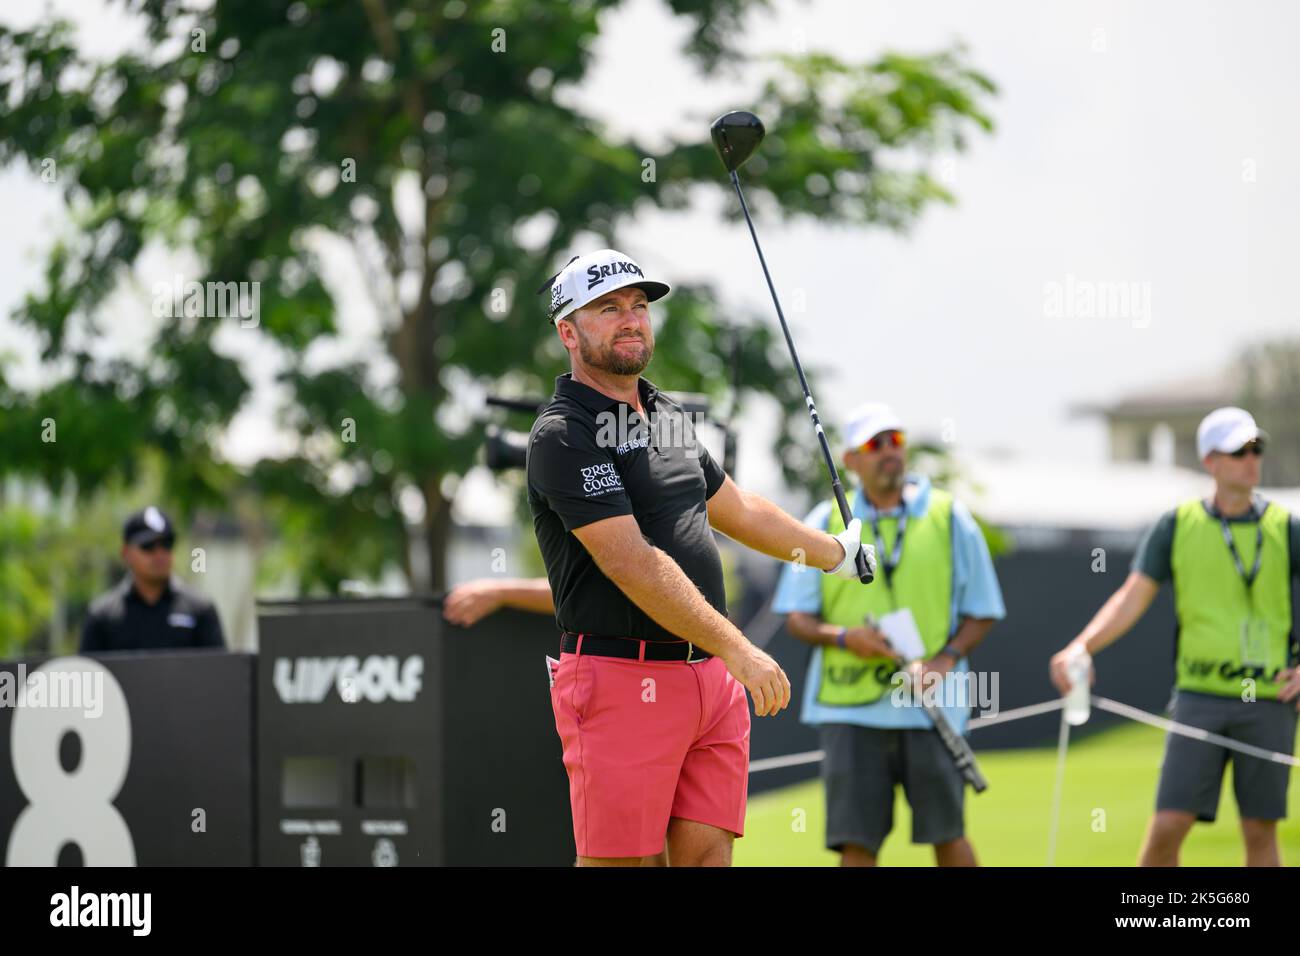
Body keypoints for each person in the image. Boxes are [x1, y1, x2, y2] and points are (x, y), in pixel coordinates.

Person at [527, 248, 876, 867]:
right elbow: (631, 561)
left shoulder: (665, 416)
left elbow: (736, 509)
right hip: (619, 679)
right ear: (569, 332)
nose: (631, 319)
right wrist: (737, 648)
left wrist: (834, 554)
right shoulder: (564, 432)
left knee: (706, 861)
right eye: (608, 309)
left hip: (706, 684)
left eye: (639, 306)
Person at [1050, 406, 1300, 867]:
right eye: (1239, 451)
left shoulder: (1287, 527)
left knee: (1260, 832)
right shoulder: (1177, 525)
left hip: (1268, 699)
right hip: (1199, 697)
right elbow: (1132, 596)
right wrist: (1082, 646)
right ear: (1210, 461)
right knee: (1167, 826)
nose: (1251, 459)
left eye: (1256, 449)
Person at [771, 402, 1005, 867]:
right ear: (851, 460)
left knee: (949, 836)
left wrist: (941, 662)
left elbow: (983, 610)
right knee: (856, 846)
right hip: (849, 709)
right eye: (874, 445)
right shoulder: (823, 521)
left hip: (930, 707)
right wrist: (845, 638)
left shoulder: (949, 516)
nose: (888, 453)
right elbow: (797, 617)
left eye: (896, 441)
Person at [80, 506, 226, 653]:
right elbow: (89, 671)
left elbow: (219, 671)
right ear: (126, 553)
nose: (159, 554)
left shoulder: (200, 609)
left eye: (167, 544)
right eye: (148, 546)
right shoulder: (103, 615)